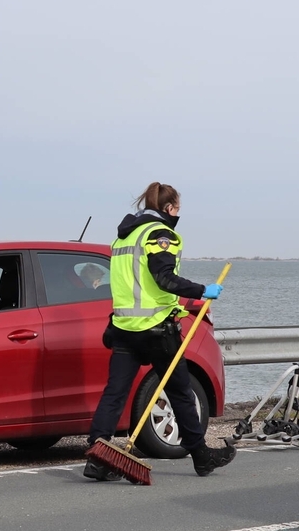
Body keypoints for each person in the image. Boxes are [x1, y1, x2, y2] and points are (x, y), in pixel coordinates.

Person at [83, 182, 236, 481]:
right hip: (156, 330)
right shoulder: (161, 234)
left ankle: (97, 456)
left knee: (114, 392)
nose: (178, 214)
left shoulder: (123, 237)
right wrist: (203, 290)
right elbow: (164, 279)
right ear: (168, 208)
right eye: (177, 208)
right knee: (180, 390)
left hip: (124, 327)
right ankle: (201, 456)